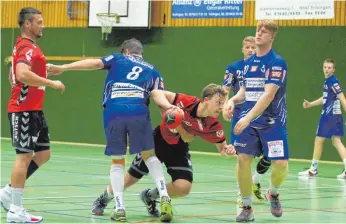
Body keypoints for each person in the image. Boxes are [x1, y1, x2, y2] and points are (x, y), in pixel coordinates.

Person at [47, 38, 180, 222]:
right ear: (141, 53)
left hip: (114, 109)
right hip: (138, 109)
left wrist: (64, 68)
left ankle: (119, 208)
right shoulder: (153, 70)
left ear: (126, 51)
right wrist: (169, 115)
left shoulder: (118, 58)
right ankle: (164, 195)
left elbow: (94, 63)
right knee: (150, 156)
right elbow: (158, 97)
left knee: (117, 162)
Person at [90, 84, 236, 217]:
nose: (221, 107)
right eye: (218, 102)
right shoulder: (185, 102)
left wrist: (228, 151)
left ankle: (150, 196)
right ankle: (103, 199)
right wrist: (171, 111)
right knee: (130, 179)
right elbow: (156, 93)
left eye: (223, 104)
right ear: (205, 100)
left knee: (183, 187)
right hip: (158, 140)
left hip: (179, 147)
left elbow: (222, 149)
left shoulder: (214, 125)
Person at [0, 7, 65, 223]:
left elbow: (18, 72)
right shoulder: (26, 46)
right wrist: (51, 83)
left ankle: (8, 192)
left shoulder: (27, 47)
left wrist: (48, 70)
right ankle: (15, 211)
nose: (43, 25)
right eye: (39, 21)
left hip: (35, 109)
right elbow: (21, 74)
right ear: (28, 24)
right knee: (24, 157)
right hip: (23, 109)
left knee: (43, 154)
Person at [225, 20, 289, 222]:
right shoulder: (249, 63)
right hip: (250, 122)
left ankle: (274, 192)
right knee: (243, 159)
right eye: (258, 30)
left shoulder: (277, 62)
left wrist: (247, 116)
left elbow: (268, 95)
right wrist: (232, 101)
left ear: (272, 37)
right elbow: (246, 91)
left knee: (280, 163)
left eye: (264, 32)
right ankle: (246, 206)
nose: (259, 34)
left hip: (272, 121)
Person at [222, 36, 270, 206]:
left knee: (271, 155)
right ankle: (241, 192)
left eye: (253, 48)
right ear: (242, 49)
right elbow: (225, 90)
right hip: (241, 118)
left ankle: (255, 181)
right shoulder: (234, 68)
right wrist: (225, 106)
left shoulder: (265, 66)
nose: (250, 50)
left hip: (263, 117)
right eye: (247, 47)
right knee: (242, 157)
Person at [299, 59, 346, 179]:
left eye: (329, 67)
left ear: (333, 69)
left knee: (318, 140)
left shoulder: (332, 81)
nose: (327, 69)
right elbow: (325, 98)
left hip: (329, 116)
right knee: (336, 141)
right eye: (325, 67)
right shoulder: (328, 81)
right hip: (336, 116)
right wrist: (311, 104)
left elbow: (342, 99)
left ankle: (313, 169)